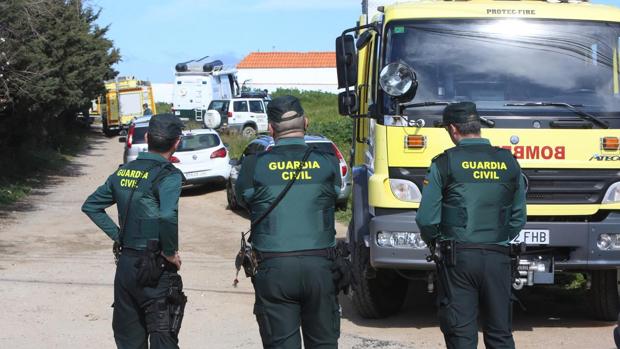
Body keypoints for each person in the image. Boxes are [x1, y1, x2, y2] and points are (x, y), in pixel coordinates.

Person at [416, 102, 526, 349]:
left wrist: (436, 241)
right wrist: (497, 238)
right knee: (500, 335)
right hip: (499, 258)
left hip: (459, 259)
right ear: (478, 126)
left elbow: (426, 219)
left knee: (461, 335)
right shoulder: (508, 161)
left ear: (454, 129)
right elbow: (518, 217)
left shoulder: (444, 163)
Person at [235, 95, 342, 349]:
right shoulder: (327, 161)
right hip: (321, 266)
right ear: (306, 122)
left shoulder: (254, 165)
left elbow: (243, 199)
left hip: (274, 269)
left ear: (271, 129)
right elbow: (335, 193)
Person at [82, 114, 186, 349]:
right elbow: (168, 215)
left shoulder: (123, 172)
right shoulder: (169, 175)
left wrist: (119, 235)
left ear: (147, 137)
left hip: (126, 266)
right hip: (156, 268)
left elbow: (91, 206)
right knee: (163, 340)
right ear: (177, 142)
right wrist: (169, 252)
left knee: (128, 341)